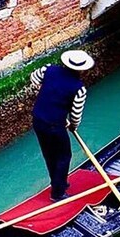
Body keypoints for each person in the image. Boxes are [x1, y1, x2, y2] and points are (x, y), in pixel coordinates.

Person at [30, 49, 93, 201]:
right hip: (54, 125)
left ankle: (59, 184)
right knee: (64, 156)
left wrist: (43, 91)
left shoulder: (49, 69)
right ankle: (58, 193)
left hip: (37, 120)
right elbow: (76, 114)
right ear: (82, 69)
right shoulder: (79, 88)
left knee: (49, 155)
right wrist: (73, 126)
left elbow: (34, 78)